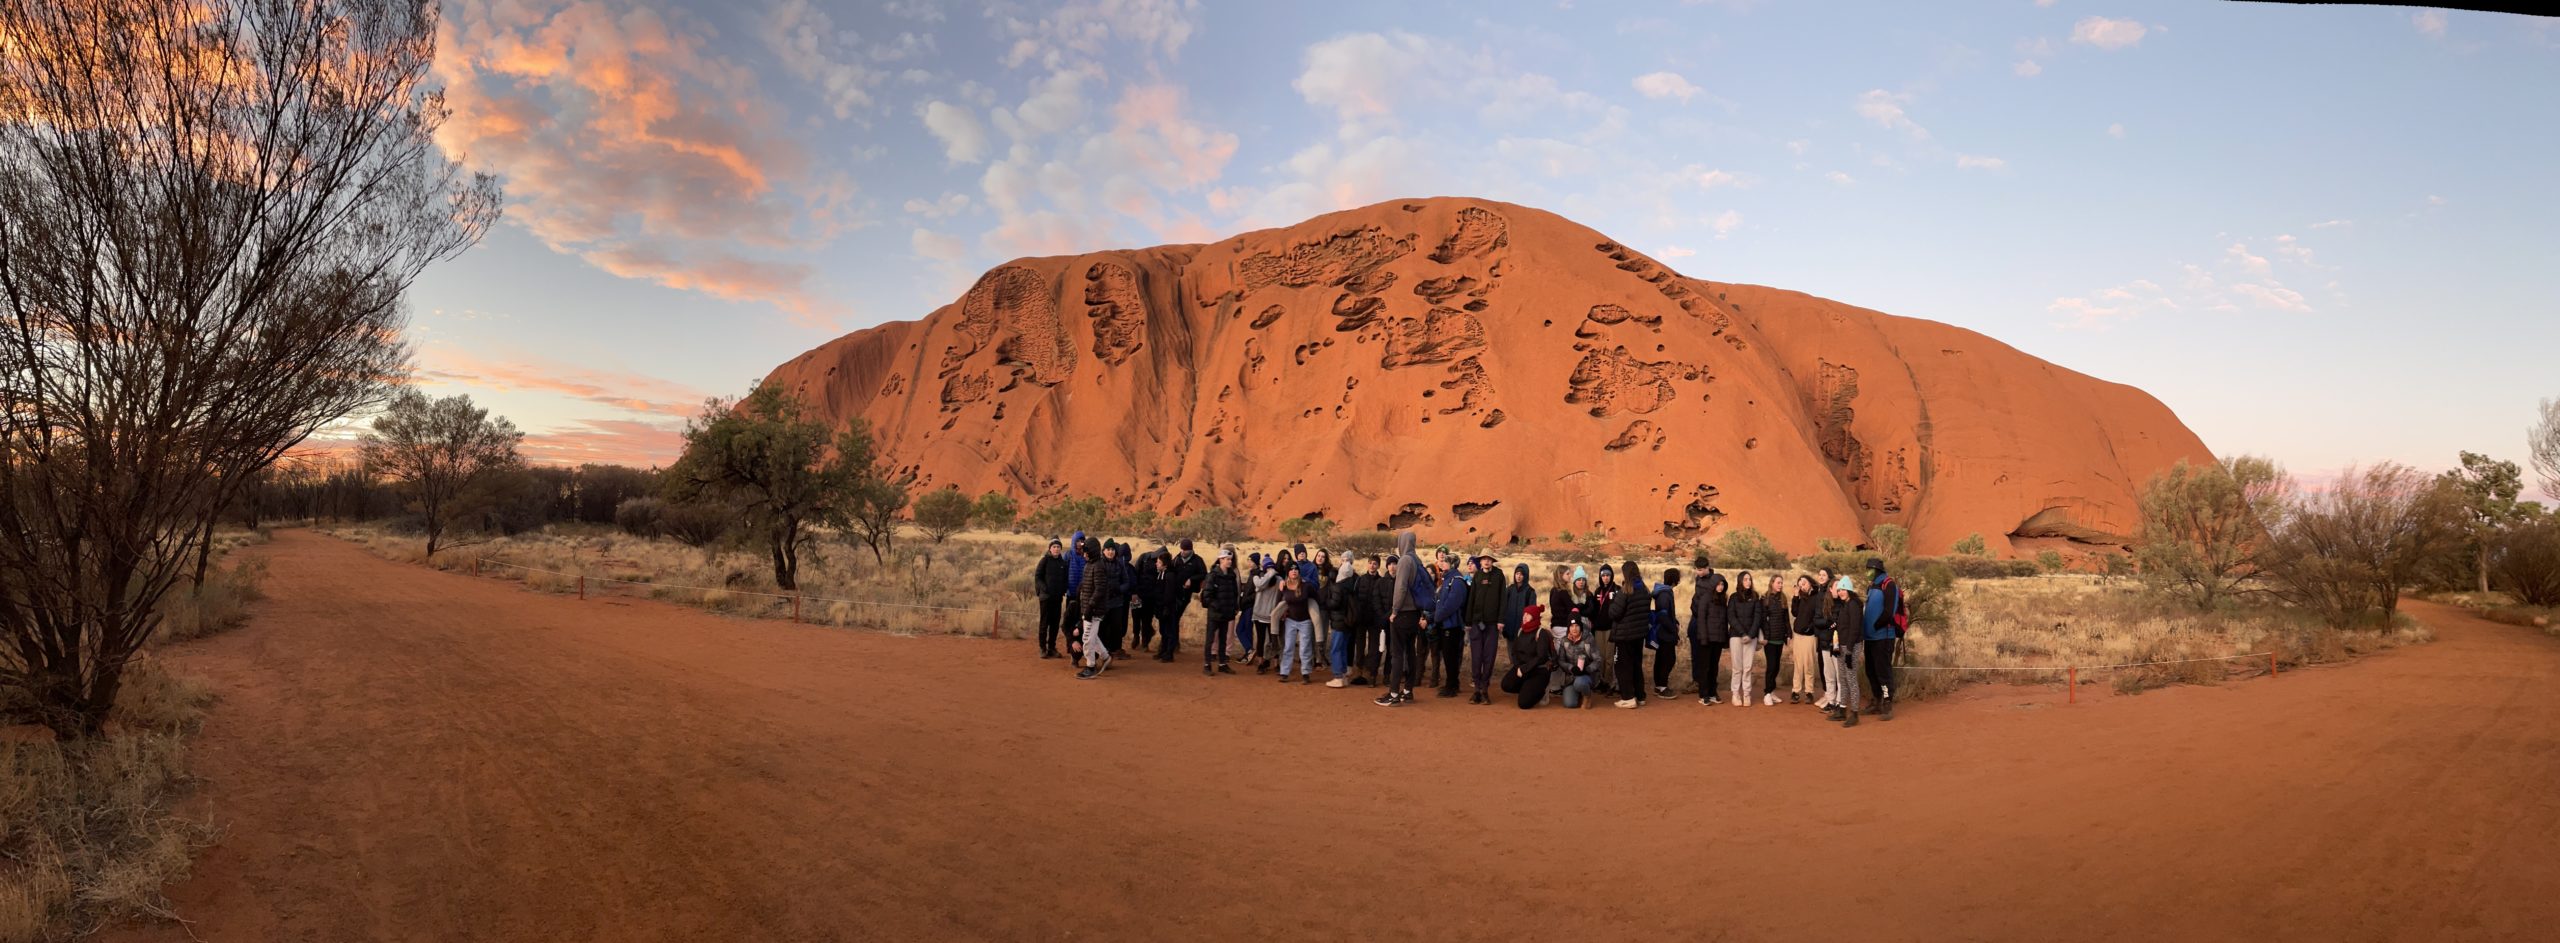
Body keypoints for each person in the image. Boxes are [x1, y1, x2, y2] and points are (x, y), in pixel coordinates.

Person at [1377, 532, 1427, 707]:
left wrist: (1394, 610)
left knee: (1397, 654)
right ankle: (1408, 690)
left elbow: (1401, 587)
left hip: (1403, 613)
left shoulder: (1405, 560)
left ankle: (1393, 693)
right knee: (1410, 652)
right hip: (1415, 614)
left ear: (1402, 542)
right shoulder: (1417, 560)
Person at [1074, 537, 1121, 679]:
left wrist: (1089, 608)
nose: (1084, 553)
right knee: (1092, 637)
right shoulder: (1090, 564)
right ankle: (1106, 657)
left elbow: (1100, 589)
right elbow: (1091, 585)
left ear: (1092, 551)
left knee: (1087, 638)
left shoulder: (1098, 566)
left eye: (1086, 551)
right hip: (1089, 607)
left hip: (1094, 609)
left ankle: (1091, 666)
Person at [1607, 559, 1652, 708]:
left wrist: (1612, 603)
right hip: (1639, 635)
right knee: (1636, 665)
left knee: (1621, 665)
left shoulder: (1626, 590)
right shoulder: (1644, 589)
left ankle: (1628, 696)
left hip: (1624, 635)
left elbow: (1614, 613)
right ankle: (1640, 695)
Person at [1862, 557, 1903, 721]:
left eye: (1869, 569)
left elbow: (1889, 612)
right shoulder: (1871, 586)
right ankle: (1876, 700)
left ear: (1877, 570)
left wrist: (1875, 626)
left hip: (1883, 637)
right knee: (1870, 671)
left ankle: (1887, 703)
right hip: (1870, 638)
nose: (1867, 572)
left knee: (1883, 671)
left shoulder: (1889, 585)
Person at [1463, 556, 1506, 704]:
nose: (1486, 562)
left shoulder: (1499, 575)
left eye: (1489, 559)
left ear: (1492, 561)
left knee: (1489, 657)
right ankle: (1476, 690)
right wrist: (1468, 620)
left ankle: (1485, 690)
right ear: (1480, 562)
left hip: (1492, 624)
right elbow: (1471, 598)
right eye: (1484, 559)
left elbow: (1503, 599)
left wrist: (1501, 620)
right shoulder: (1478, 576)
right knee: (1476, 656)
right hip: (1476, 623)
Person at [1821, 576, 1864, 726]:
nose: (1840, 592)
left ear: (1849, 589)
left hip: (1851, 646)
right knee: (1843, 679)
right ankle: (1842, 710)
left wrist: (1850, 651)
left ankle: (1855, 713)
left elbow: (1855, 628)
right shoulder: (1846, 605)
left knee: (1851, 679)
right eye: (1839, 590)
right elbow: (1842, 627)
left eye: (1843, 589)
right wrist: (1837, 646)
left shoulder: (1853, 605)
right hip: (1842, 646)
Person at [1687, 563, 1729, 706]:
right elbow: (1701, 619)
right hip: (1706, 640)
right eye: (1719, 584)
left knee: (1714, 667)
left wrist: (1724, 639)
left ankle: (1712, 693)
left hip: (1717, 639)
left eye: (1723, 585)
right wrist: (1703, 638)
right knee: (1704, 667)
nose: (1721, 587)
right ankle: (1703, 694)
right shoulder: (1705, 599)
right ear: (1713, 585)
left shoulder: (1723, 601)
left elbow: (1724, 622)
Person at [1430, 554, 1469, 699]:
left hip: (1452, 625)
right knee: (1447, 656)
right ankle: (1451, 683)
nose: (1442, 563)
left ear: (1452, 564)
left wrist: (1438, 616)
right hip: (1445, 623)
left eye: (1445, 561)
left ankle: (1451, 686)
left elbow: (1452, 604)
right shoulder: (1447, 579)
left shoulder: (1457, 581)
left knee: (1451, 656)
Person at [1500, 604, 1554, 709]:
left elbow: (1541, 657)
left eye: (1528, 615)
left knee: (1524, 703)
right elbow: (1514, 652)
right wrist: (1518, 666)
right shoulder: (1521, 631)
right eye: (1524, 614)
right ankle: (1527, 688)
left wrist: (1524, 669)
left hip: (1538, 671)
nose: (1524, 617)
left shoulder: (1541, 633)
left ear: (1534, 617)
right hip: (1523, 668)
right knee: (1506, 685)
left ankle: (1542, 691)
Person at [1159, 539, 1205, 662]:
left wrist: (1192, 579)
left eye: (1186, 550)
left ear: (1191, 550)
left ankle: (1170, 648)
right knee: (1173, 620)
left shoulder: (1197, 561)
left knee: (1173, 619)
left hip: (1184, 595)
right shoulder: (1177, 559)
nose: (1183, 552)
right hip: (1173, 594)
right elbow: (1172, 571)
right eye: (1182, 549)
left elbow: (1203, 574)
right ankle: (1171, 646)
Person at [1200, 548, 1240, 675]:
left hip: (1226, 612)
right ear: (1221, 559)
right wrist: (1217, 606)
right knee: (1210, 639)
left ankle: (1222, 664)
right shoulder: (1213, 575)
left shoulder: (1231, 575)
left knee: (1223, 638)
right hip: (1215, 613)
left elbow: (1234, 593)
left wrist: (1234, 607)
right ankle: (1207, 665)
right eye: (1227, 559)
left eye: (1230, 559)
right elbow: (1207, 596)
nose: (1229, 562)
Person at [1347, 555, 1386, 686]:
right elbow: (1354, 598)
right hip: (1361, 619)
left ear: (1378, 566)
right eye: (1370, 563)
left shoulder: (1381, 581)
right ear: (1367, 564)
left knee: (1373, 648)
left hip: (1375, 620)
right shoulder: (1360, 580)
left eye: (1375, 564)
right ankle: (1359, 673)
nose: (1372, 566)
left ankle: (1371, 675)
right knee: (1360, 647)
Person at [1725, 571, 1762, 708]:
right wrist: (1742, 633)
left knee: (1747, 667)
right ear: (1740, 581)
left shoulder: (1755, 597)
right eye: (1745, 579)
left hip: (1750, 638)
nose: (1748, 582)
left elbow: (1757, 617)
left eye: (1750, 579)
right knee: (1737, 667)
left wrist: (1750, 635)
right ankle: (1735, 694)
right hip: (1736, 636)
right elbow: (1731, 616)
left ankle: (1746, 693)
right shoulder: (1734, 597)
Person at [1322, 550, 1358, 687]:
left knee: (1335, 648)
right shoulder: (1354, 583)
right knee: (1343, 648)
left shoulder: (1339, 586)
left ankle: (1338, 676)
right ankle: (1343, 675)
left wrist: (1327, 601)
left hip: (1339, 621)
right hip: (1349, 621)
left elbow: (1334, 603)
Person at [1786, 574, 1823, 703]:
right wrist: (1796, 596)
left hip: (1809, 635)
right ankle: (1795, 691)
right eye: (1800, 584)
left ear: (1811, 583)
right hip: (1798, 635)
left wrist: (1810, 627)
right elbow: (1795, 612)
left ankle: (1809, 692)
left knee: (1808, 664)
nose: (1802, 586)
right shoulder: (1801, 597)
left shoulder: (1817, 597)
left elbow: (1818, 615)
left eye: (1804, 583)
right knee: (1798, 663)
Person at [1274, 568, 1315, 683]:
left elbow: (1315, 598)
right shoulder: (1284, 586)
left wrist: (1314, 613)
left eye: (1296, 569)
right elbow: (1278, 601)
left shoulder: (1306, 586)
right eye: (1291, 569)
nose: (1294, 571)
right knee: (1288, 647)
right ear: (1288, 573)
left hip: (1305, 620)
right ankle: (1284, 673)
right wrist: (1279, 613)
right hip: (1290, 620)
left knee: (1305, 647)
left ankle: (1306, 673)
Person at [1758, 572, 1791, 705]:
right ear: (1772, 583)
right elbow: (1762, 620)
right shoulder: (1765, 598)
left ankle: (1772, 692)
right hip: (1769, 640)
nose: (1780, 585)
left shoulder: (1783, 598)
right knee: (1771, 666)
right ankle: (1767, 693)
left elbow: (1786, 619)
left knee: (1777, 666)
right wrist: (1766, 636)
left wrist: (1788, 634)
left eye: (1782, 583)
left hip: (1780, 638)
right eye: (1778, 582)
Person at [1551, 621, 1600, 708]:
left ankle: (1587, 696)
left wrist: (1587, 669)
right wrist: (1571, 668)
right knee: (1570, 704)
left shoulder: (1588, 639)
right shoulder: (1564, 640)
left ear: (1581, 627)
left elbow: (1598, 660)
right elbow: (1561, 661)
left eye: (1577, 626)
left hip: (1586, 675)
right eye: (1572, 626)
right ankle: (1579, 693)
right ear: (1568, 628)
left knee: (1580, 683)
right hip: (1571, 677)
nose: (1574, 628)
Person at [1034, 538, 1069, 659]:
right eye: (1054, 547)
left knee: (1055, 623)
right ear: (1050, 548)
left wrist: (1063, 589)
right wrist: (1045, 589)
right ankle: (1042, 648)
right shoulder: (1044, 560)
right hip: (1046, 597)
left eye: (1058, 547)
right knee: (1044, 623)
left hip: (1057, 597)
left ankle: (1052, 648)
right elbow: (1038, 577)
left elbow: (1065, 579)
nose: (1056, 549)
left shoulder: (1062, 563)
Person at [1649, 567, 1681, 699]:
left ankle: (1659, 686)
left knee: (1662, 658)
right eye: (1678, 577)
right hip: (1665, 633)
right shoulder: (1664, 594)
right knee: (1668, 659)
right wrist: (1673, 629)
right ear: (1674, 579)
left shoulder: (1665, 592)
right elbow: (1663, 615)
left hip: (1664, 631)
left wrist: (1675, 621)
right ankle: (1662, 686)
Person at [1101, 542, 1136, 659]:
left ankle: (1116, 650)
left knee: (1117, 627)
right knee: (1103, 628)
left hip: (1117, 602)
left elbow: (1127, 582)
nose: (1110, 552)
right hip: (1103, 602)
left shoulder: (1120, 565)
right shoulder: (1099, 564)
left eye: (1112, 549)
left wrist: (1118, 589)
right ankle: (1104, 652)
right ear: (1103, 550)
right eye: (1108, 549)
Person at [1251, 553, 1282, 674]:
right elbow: (1259, 585)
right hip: (1258, 614)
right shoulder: (1258, 578)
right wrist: (1271, 572)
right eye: (1268, 567)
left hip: (1271, 615)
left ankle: (1276, 663)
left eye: (1271, 567)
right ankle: (1261, 663)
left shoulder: (1279, 580)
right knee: (1261, 639)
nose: (1269, 569)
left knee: (1274, 640)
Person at [1591, 565, 1620, 695]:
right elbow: (1594, 610)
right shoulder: (1597, 591)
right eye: (1603, 575)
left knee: (1609, 658)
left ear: (1611, 575)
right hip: (1598, 629)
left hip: (1611, 629)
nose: (1605, 578)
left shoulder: (1617, 590)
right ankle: (1601, 681)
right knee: (1600, 658)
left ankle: (1609, 682)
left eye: (1608, 575)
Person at [1500, 562, 1533, 642]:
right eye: (1517, 573)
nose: (1518, 576)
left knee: (1520, 652)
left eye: (1521, 574)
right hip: (1509, 627)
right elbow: (1503, 606)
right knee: (1510, 651)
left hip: (1522, 628)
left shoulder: (1530, 592)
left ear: (1525, 576)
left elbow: (1532, 611)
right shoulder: (1510, 589)